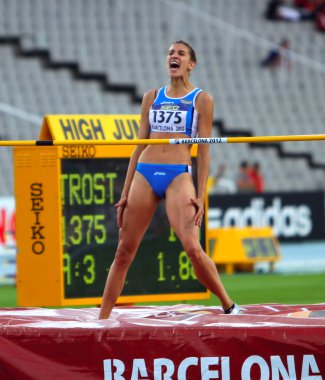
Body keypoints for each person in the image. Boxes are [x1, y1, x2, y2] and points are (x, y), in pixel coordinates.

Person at [98, 40, 241, 319]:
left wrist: (201, 195)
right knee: (124, 251)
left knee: (192, 248)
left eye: (181, 53)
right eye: (170, 53)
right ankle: (101, 319)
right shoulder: (151, 96)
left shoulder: (202, 100)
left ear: (191, 64)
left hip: (178, 174)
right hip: (145, 171)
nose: (173, 56)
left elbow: (205, 151)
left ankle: (228, 304)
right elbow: (138, 146)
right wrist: (125, 192)